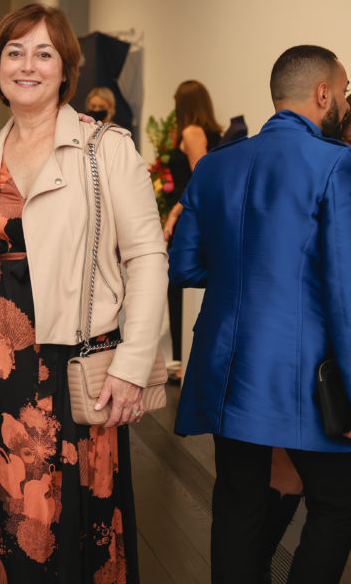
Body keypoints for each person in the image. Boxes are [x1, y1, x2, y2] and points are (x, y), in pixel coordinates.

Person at [0, 3, 167, 582]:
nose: (28, 66)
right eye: (15, 52)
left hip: (73, 366)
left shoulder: (106, 149)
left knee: (62, 525)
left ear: (66, 68)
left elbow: (146, 256)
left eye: (44, 53)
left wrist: (135, 364)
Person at [170, 44, 351, 583]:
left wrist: (244, 269)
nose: (343, 102)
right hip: (305, 375)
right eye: (342, 92)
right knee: (339, 504)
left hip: (228, 369)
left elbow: (183, 266)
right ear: (323, 93)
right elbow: (343, 290)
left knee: (237, 505)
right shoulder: (337, 165)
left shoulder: (217, 165)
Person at [160, 80, 223, 373]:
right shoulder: (208, 132)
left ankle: (185, 361)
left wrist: (173, 214)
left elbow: (201, 178)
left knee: (178, 284)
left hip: (190, 219)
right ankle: (186, 360)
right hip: (194, 216)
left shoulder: (192, 132)